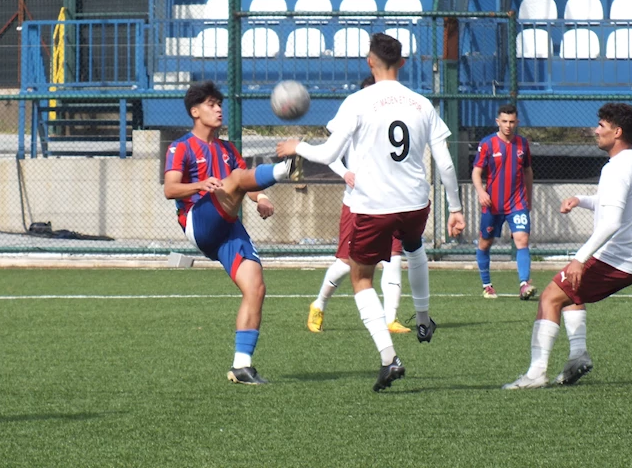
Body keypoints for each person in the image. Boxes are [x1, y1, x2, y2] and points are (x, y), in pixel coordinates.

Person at [278, 33, 466, 391]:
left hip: (374, 206)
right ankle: (423, 319)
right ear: (403, 62)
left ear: (369, 61)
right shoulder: (422, 103)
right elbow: (444, 162)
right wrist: (455, 208)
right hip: (415, 202)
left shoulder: (358, 101)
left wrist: (296, 145)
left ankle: (389, 357)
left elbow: (329, 154)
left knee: (361, 277)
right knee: (414, 248)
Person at [503, 103, 632, 390]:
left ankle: (536, 373)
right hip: (630, 258)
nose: (596, 131)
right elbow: (617, 206)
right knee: (570, 291)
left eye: (602, 126)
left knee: (549, 297)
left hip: (615, 258)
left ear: (617, 132)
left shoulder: (616, 168)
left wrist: (580, 258)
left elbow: (611, 222)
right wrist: (580, 200)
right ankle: (578, 356)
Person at [164, 81, 294, 386]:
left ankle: (241, 366)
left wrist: (262, 198)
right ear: (195, 112)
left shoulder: (227, 149)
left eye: (219, 104)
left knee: (256, 288)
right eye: (211, 104)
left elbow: (246, 183)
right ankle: (284, 169)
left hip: (229, 226)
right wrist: (200, 185)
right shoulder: (180, 147)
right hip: (198, 221)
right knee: (233, 179)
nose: (219, 109)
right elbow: (170, 189)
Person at [308, 75, 411, 335]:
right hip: (358, 204)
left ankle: (391, 319)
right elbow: (330, 154)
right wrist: (345, 173)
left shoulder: (393, 120)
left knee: (393, 258)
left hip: (391, 201)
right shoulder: (352, 113)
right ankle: (319, 304)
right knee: (346, 262)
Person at [471, 104, 535, 300]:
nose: (508, 125)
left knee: (522, 240)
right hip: (493, 204)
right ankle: (487, 285)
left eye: (512, 122)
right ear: (498, 122)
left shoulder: (523, 144)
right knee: (485, 243)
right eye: (505, 121)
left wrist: (529, 198)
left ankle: (524, 284)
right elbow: (476, 171)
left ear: (517, 122)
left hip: (517, 203)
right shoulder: (487, 144)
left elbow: (528, 171)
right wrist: (481, 192)